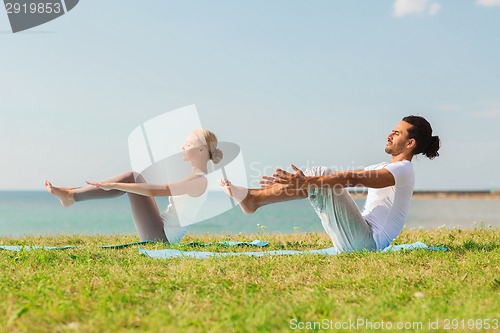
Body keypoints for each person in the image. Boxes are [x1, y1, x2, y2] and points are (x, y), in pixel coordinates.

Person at [220, 116, 440, 252]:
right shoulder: (387, 166)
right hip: (359, 238)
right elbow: (347, 176)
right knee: (322, 178)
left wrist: (308, 180)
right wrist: (302, 183)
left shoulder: (402, 170)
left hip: (366, 243)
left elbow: (352, 179)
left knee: (322, 175)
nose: (389, 135)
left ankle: (254, 199)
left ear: (410, 143)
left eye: (397, 133)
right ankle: (254, 196)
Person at [45, 129, 223, 243]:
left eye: (188, 144)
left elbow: (157, 190)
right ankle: (72, 194)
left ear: (201, 150)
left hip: (161, 237)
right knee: (134, 178)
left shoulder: (198, 181)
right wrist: (116, 185)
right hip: (161, 229)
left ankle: (71, 196)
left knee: (133, 177)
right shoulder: (197, 177)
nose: (182, 146)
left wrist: (116, 184)